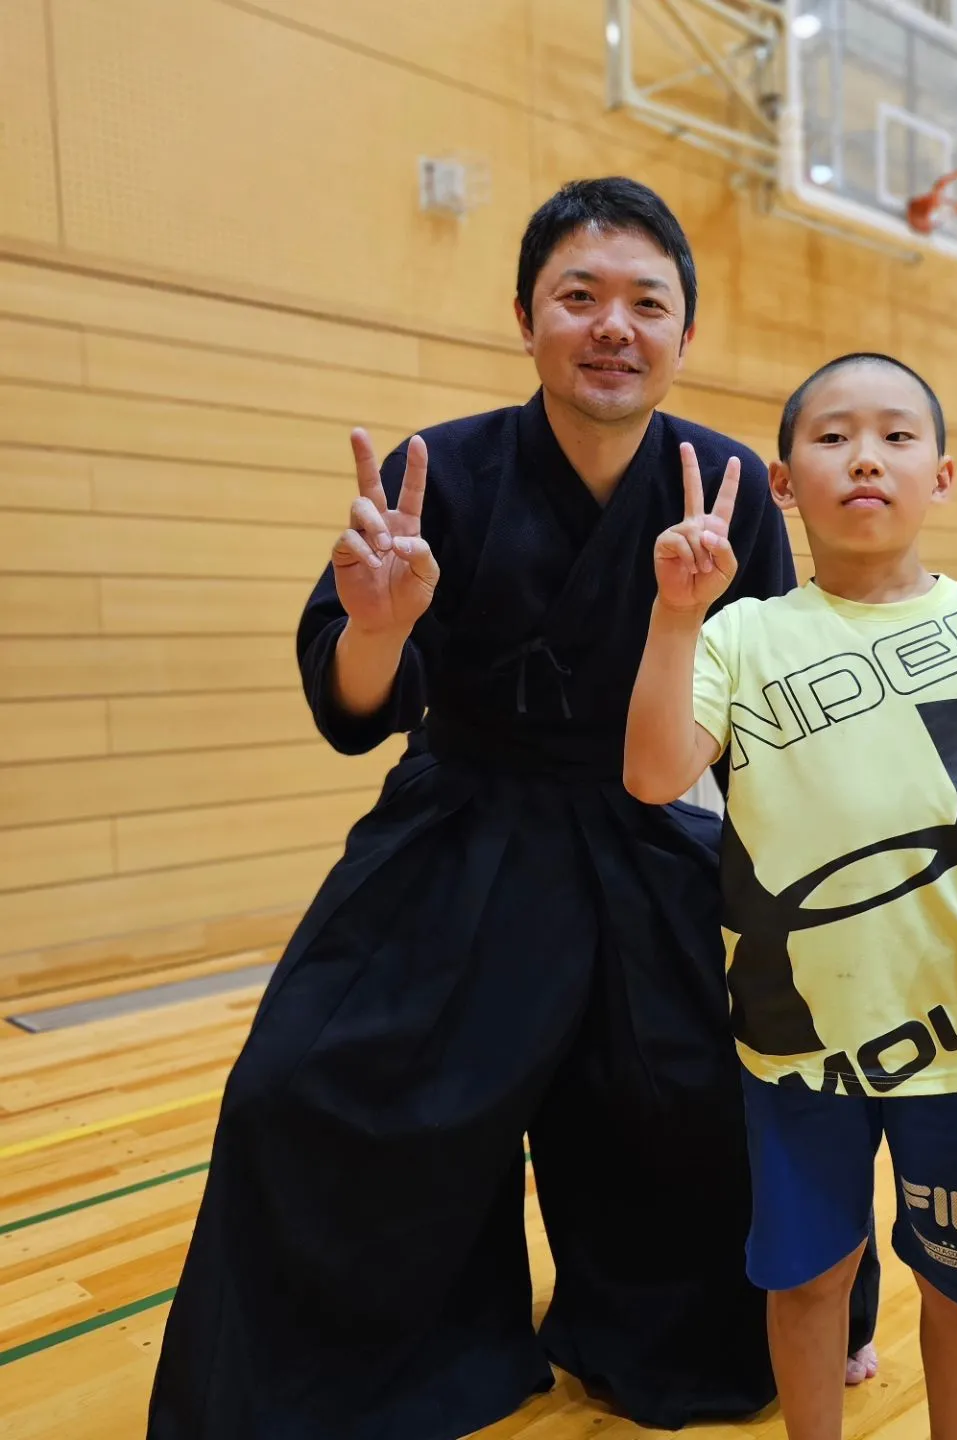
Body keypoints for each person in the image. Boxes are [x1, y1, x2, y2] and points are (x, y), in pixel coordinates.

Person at [146, 178, 878, 1440]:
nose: (613, 327)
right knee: (298, 1091)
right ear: (526, 319)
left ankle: (719, 1331)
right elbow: (356, 705)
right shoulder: (444, 471)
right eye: (578, 297)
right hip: (461, 831)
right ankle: (387, 1370)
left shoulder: (730, 492)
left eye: (647, 303)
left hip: (647, 830)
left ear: (684, 336)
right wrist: (381, 626)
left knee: (727, 1093)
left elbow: (767, 715)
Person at [624, 353, 957, 1440]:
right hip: (793, 1040)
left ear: (944, 474)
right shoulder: (744, 635)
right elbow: (650, 774)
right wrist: (676, 615)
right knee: (810, 1278)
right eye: (830, 438)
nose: (864, 455)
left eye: (895, 436)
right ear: (783, 483)